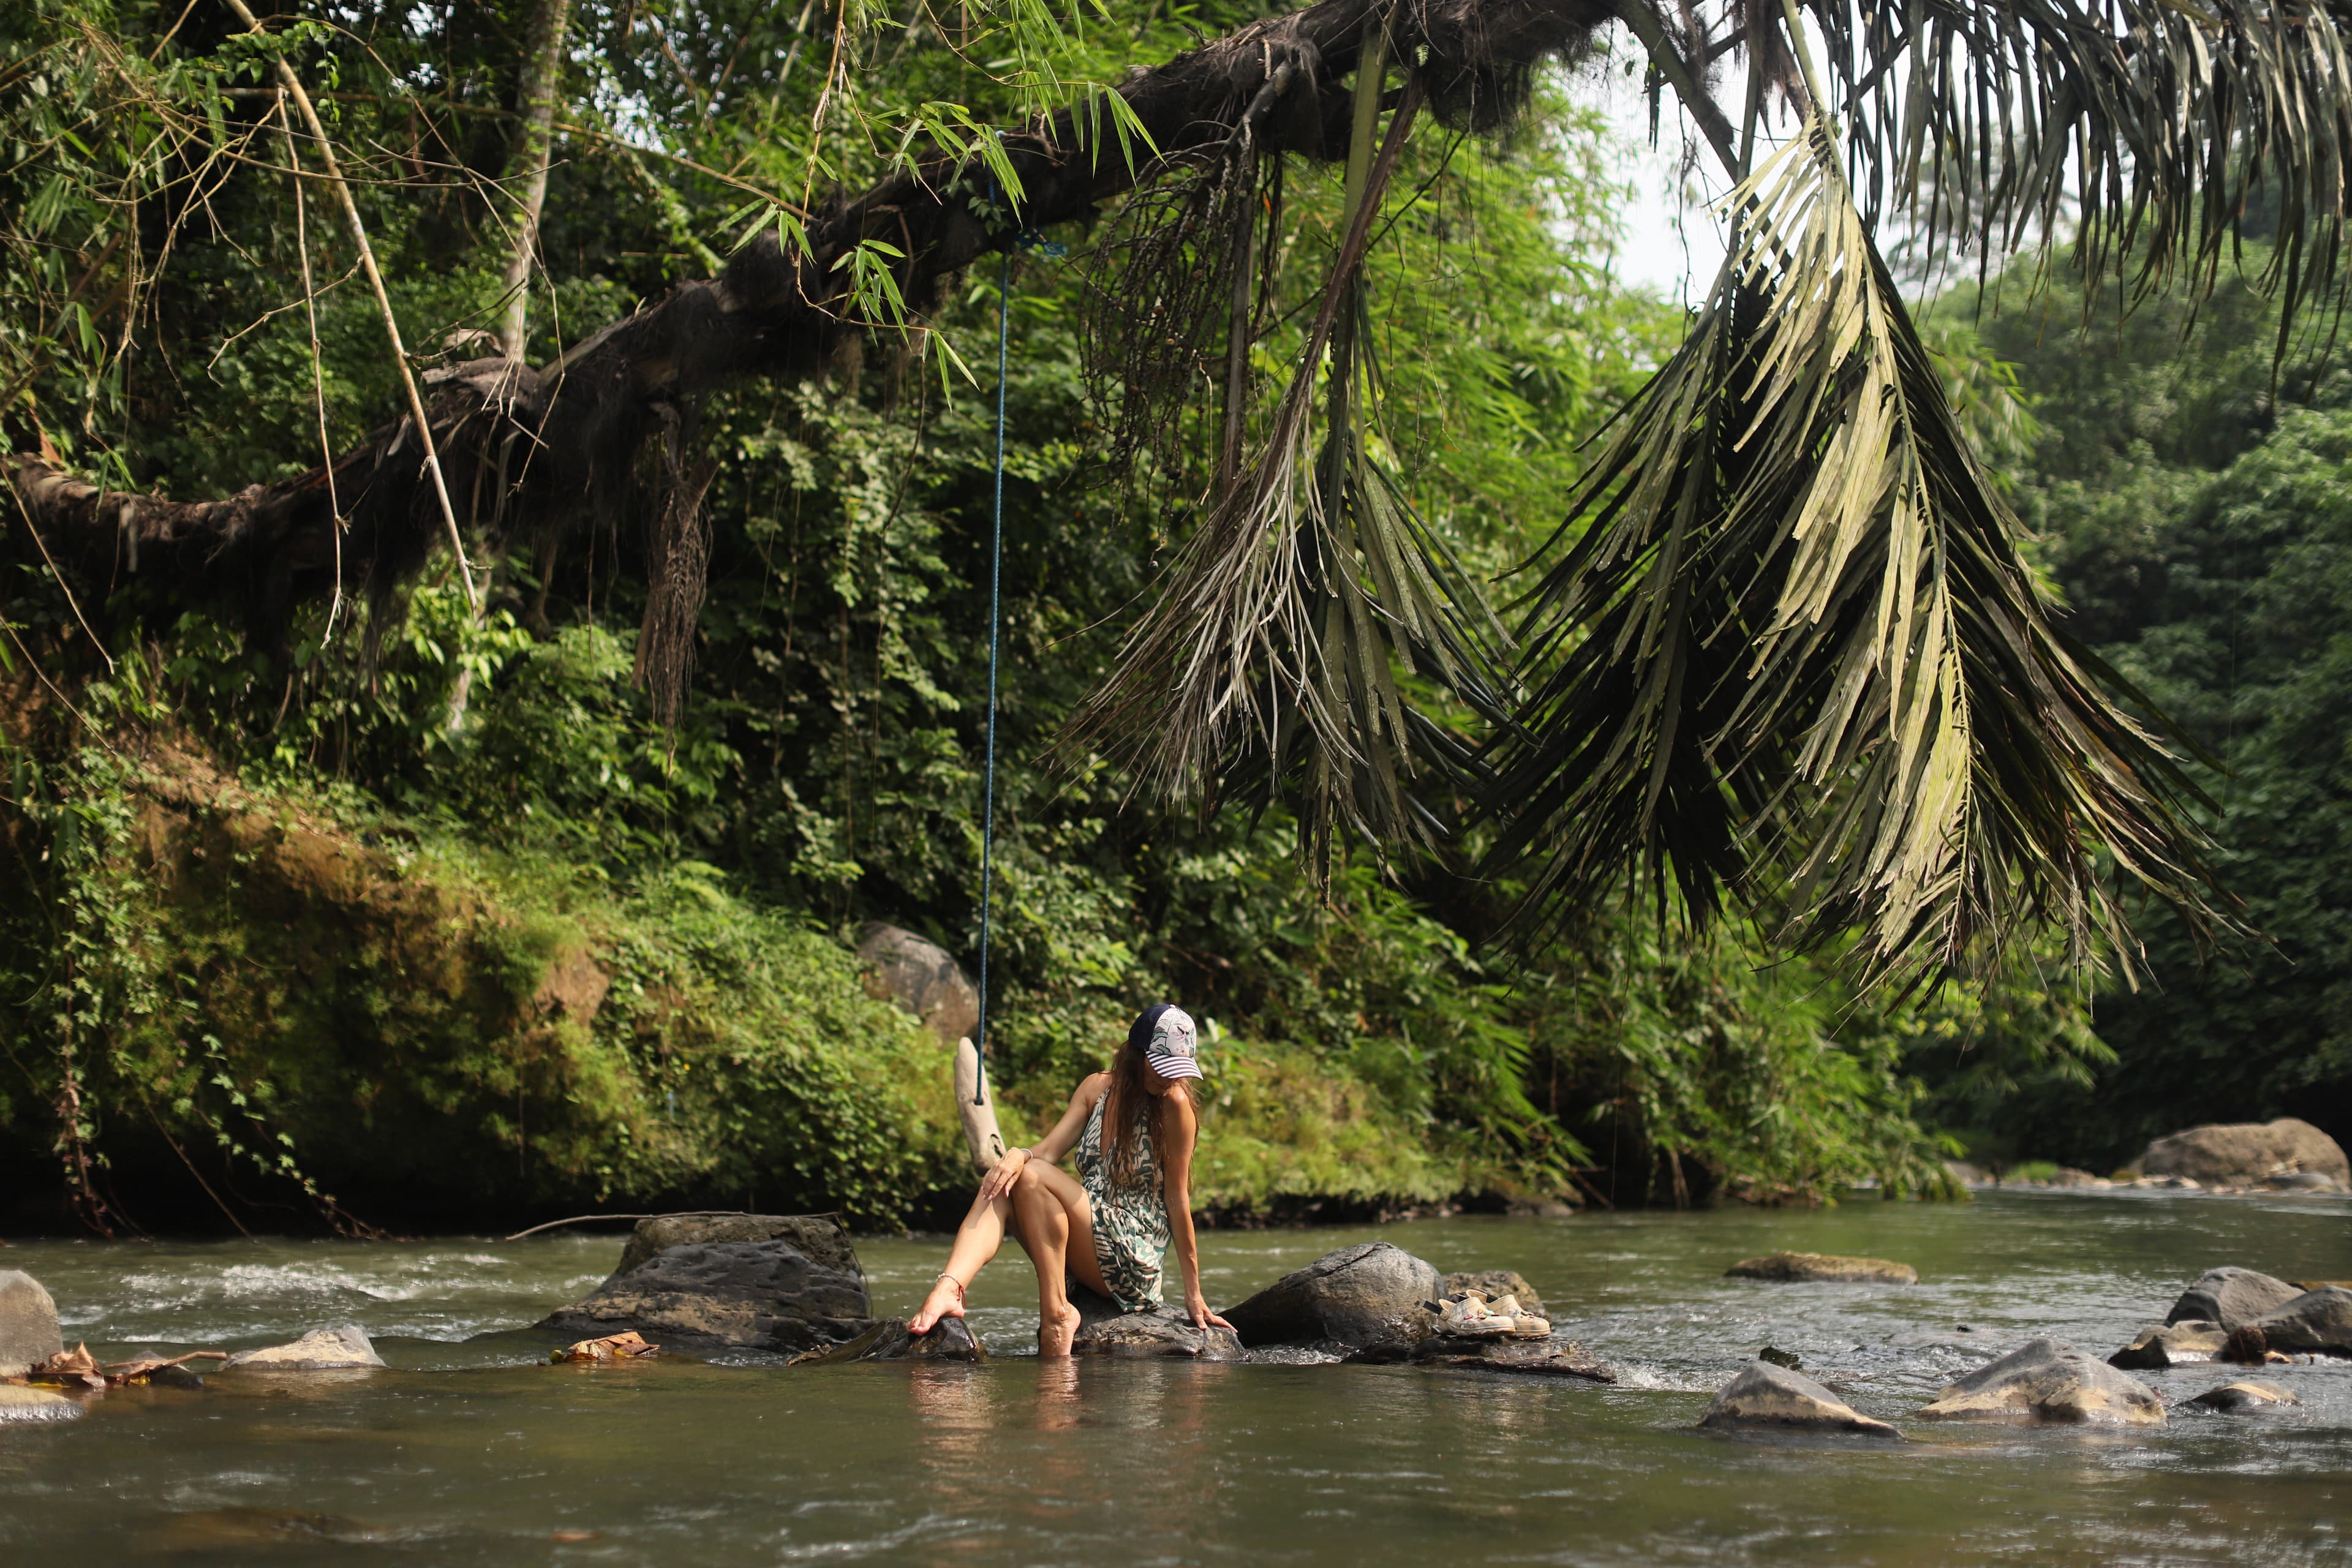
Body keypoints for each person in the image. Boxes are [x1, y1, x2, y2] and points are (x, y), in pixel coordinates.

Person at [909, 1003, 1237, 1355]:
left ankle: (1057, 1314)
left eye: (1177, 1068)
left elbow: (1177, 1198)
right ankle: (949, 1287)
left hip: (1132, 1252)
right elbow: (1048, 1150)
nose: (1169, 1077)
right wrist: (1017, 1154)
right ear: (1136, 1054)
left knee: (1028, 1172)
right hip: (1088, 1230)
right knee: (1005, 1178)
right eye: (1160, 1065)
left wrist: (1194, 1292)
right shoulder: (1096, 1088)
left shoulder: (1175, 1105)